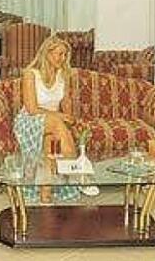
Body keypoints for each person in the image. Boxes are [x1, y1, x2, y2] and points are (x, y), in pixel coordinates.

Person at [13, 35, 99, 203]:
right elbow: (32, 109)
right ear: (47, 53)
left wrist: (71, 120)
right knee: (57, 123)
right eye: (59, 54)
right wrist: (60, 117)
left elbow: (65, 103)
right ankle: (80, 175)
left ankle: (45, 197)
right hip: (30, 121)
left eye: (65, 55)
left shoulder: (63, 74)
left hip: (51, 123)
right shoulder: (31, 74)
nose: (63, 58)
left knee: (51, 147)